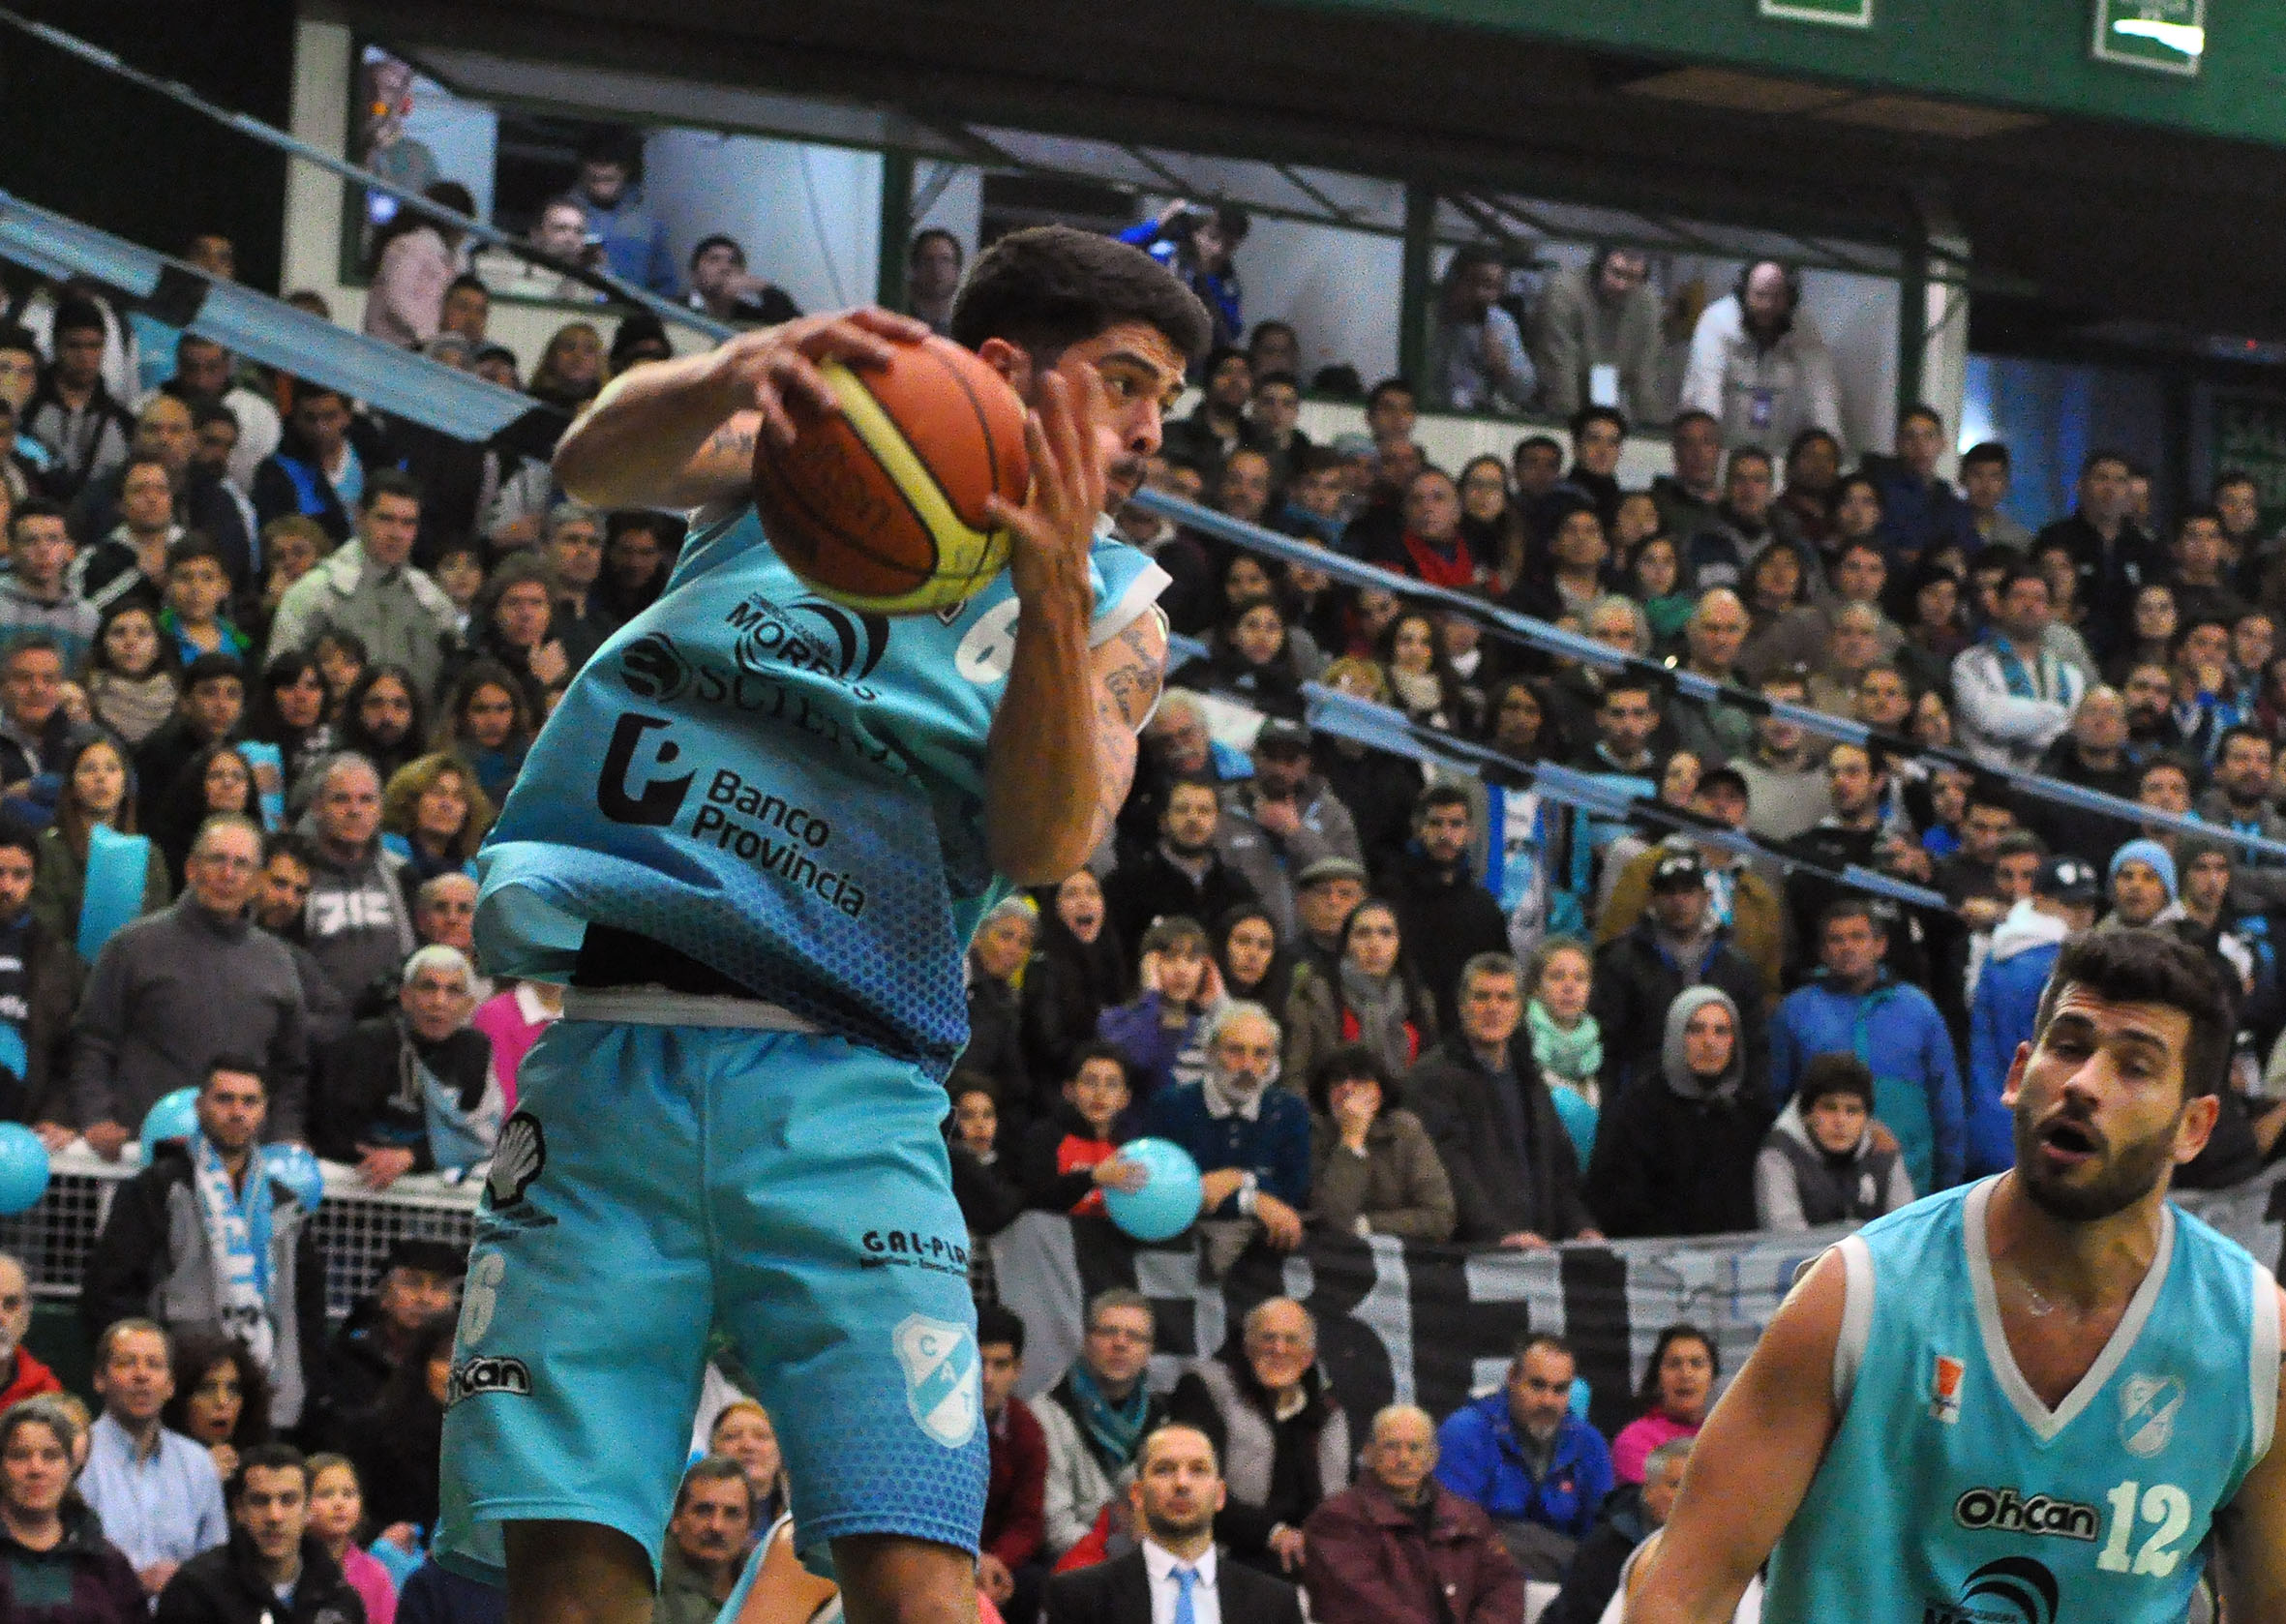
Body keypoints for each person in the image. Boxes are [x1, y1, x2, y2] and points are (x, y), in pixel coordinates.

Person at [437, 227, 1211, 1624]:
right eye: (1125, 380)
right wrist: (732, 367)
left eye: (1167, 399)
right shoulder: (800, 458)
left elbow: (1047, 839)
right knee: (562, 1567)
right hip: (615, 1050)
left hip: (848, 1088)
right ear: (998, 371)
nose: (1152, 427)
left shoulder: (1117, 612)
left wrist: (1041, 601)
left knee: (914, 1575)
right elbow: (595, 466)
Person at [1633, 930, 2286, 1624]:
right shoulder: (1856, 1297)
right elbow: (1681, 1588)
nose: (2083, 1084)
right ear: (2017, 1075)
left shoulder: (2256, 1341)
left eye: (2134, 1067)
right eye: (2068, 1048)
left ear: (2195, 1126)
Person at [80, 1062, 326, 1431]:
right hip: (175, 1391)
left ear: (264, 1111)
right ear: (200, 1106)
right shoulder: (155, 1189)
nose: (237, 1112)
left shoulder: (283, 1204)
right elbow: (110, 1289)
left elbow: (305, 1308)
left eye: (249, 1101)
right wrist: (145, 1374)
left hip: (261, 1391)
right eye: (225, 1099)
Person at [69, 816, 310, 1155]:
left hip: (240, 1165)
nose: (228, 874)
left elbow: (291, 1069)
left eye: (242, 865)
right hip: (138, 1156)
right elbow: (92, 1042)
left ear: (256, 881)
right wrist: (95, 1117)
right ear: (191, 868)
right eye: (217, 860)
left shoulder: (279, 961)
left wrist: (286, 1134)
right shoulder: (131, 946)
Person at [1770, 897, 1963, 1193]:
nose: (1847, 947)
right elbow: (1777, 1101)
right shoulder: (1795, 1012)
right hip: (1821, 1191)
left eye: (1858, 937)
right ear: (1822, 952)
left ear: (1880, 945)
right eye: (1836, 940)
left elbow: (1947, 1103)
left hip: (1913, 1185)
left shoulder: (1919, 1009)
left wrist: (1948, 1185)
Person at [1407, 954, 1599, 1248]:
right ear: (1461, 1006)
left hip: (1536, 1246)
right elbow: (1451, 1169)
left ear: (1519, 1008)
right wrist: (1496, 1234)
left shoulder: (1529, 1076)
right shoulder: (1433, 1078)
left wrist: (1581, 1226)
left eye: (1505, 997)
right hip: (1476, 1252)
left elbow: (1558, 1168)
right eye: (1482, 997)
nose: (1493, 1008)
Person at [1040, 1425, 1303, 1624]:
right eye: (1164, 1469)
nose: (1182, 1483)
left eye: (1198, 1470)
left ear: (1220, 1495)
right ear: (1137, 1495)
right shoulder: (1079, 1596)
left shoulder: (1274, 1602)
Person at [1167, 1300, 1349, 1579]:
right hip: (1222, 1554)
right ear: (1247, 1346)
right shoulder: (1207, 1389)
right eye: (1268, 1338)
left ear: (1308, 1357)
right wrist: (1274, 1534)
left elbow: (1334, 1501)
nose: (1278, 1349)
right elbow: (1196, 1489)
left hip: (1305, 1559)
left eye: (1291, 1340)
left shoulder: (1327, 1412)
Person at [1303, 1403, 1522, 1624]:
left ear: (1433, 1457)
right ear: (1368, 1453)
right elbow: (1365, 1603)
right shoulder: (1336, 1520)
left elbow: (1504, 1583)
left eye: (1415, 1447)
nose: (1403, 1458)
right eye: (1391, 1447)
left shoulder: (1468, 1518)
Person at [1587, 987, 1770, 1238]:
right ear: (1675, 1035)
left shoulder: (1753, 1112)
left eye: (1721, 1031)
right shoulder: (1637, 1111)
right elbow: (1618, 1203)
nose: (1709, 1041)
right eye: (1695, 1030)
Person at [312, 945, 500, 1185]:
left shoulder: (476, 1048)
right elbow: (332, 1130)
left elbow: (479, 1135)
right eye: (428, 987)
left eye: (453, 990)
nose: (439, 1001)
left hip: (435, 1189)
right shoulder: (366, 1043)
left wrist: (411, 1156)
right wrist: (390, 1158)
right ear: (405, 997)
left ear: (468, 1004)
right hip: (359, 1182)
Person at [1589, 850, 1768, 1099]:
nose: (1679, 901)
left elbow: (1753, 1046)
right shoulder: (1621, 961)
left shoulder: (1736, 967)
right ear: (1652, 899)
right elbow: (1607, 1045)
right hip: (1644, 1103)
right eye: (1669, 893)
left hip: (1718, 1101)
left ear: (1706, 897)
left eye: (1688, 892)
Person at [1432, 1334, 1613, 1579]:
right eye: (1537, 1385)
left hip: (1566, 1590)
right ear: (1512, 1378)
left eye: (1560, 1389)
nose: (1548, 1400)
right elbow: (1456, 1533)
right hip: (1482, 1582)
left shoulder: (1589, 1442)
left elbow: (1600, 1538)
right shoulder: (1465, 1431)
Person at [1968, 855, 2105, 1179]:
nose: (2083, 914)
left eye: (2088, 904)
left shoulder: (1997, 951)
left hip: (1988, 1116)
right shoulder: (2058, 966)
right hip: (2038, 1124)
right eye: (2070, 904)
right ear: (2040, 901)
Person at [267, 474, 458, 703]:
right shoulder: (313, 593)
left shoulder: (433, 602)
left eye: (408, 523)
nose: (397, 534)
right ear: (360, 518)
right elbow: (278, 682)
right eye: (385, 519)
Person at [1140, 1002, 1309, 1255]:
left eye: (1260, 1054)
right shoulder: (1170, 1106)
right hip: (1177, 1249)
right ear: (1210, 1053)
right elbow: (1168, 1193)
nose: (1248, 1065)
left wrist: (1238, 1178)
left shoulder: (1289, 1110)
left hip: (1263, 1254)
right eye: (1235, 1051)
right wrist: (1252, 1200)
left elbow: (1293, 1191)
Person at [76, 1321, 229, 1598]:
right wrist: (133, 1585)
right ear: (99, 1378)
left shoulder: (197, 1464)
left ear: (170, 1385)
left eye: (154, 1364)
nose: (141, 1375)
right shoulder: (77, 1457)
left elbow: (218, 1567)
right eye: (126, 1363)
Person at [155, 1444, 369, 1624]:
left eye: (288, 1500)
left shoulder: (340, 1599)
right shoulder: (195, 1591)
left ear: (308, 1510)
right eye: (260, 1501)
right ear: (239, 1510)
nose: (274, 1516)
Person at [1031, 1290, 1167, 1562]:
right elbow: (1055, 1526)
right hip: (1074, 1565)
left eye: (1135, 1336)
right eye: (1108, 1332)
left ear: (1149, 1351)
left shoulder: (1164, 1419)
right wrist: (1119, 1564)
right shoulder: (1047, 1414)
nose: (1120, 1343)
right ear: (1087, 1341)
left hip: (1148, 1563)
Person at [0, 1396, 144, 1624]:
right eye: (20, 1455)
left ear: (71, 1467)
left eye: (51, 1456)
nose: (36, 1469)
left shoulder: (107, 1564)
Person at [1678, 261, 1843, 454]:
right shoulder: (1716, 321)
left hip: (1777, 453)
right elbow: (1705, 394)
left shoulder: (1803, 328)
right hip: (1722, 450)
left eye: (1776, 297)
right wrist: (1706, 452)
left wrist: (1828, 450)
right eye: (1760, 295)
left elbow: (1823, 395)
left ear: (1790, 298)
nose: (1767, 306)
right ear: (1744, 293)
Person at [314, 1238, 464, 1447]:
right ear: (384, 1295)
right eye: (413, 1283)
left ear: (450, 1301)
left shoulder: (463, 1363)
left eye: (438, 1287)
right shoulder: (347, 1357)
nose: (425, 1298)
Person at [1305, 1044, 1456, 1242]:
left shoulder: (1404, 1131)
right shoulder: (1314, 1133)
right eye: (1338, 1080)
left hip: (1406, 1258)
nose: (1347, 1088)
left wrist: (1366, 1224)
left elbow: (1440, 1217)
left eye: (1361, 1079)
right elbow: (1332, 1220)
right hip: (1335, 1261)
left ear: (1380, 1093)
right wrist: (1352, 1141)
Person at [1755, 1051, 1914, 1231]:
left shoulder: (1883, 1150)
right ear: (1806, 1113)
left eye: (1852, 1110)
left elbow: (1905, 1233)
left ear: (1867, 1118)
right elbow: (1786, 1238)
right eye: (1829, 1108)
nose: (1840, 1121)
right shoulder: (1779, 1155)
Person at [1103, 779, 1258, 962]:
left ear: (1218, 822)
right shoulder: (1126, 885)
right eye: (1182, 810)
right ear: (1163, 821)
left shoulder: (1237, 889)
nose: (1193, 818)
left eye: (1204, 811)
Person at [1540, 1437, 1689, 1624]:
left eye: (1699, 1486)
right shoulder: (1606, 1546)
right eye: (1676, 1485)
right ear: (1649, 1490)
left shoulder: (1721, 1552)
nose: (1688, 1495)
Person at [974, 1305, 1048, 1624]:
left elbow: (1027, 1520)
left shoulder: (1026, 1430)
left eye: (1000, 1364)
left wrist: (995, 1561)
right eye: (978, 1362)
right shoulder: (932, 1423)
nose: (987, 1378)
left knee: (1034, 1584)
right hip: (943, 1554)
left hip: (998, 1561)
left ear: (1017, 1369)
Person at [1532, 247, 1663, 422]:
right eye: (1616, 273)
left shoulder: (1647, 302)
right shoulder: (1564, 292)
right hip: (1552, 400)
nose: (1622, 285)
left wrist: (1651, 430)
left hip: (1605, 386)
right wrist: (1571, 427)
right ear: (1599, 268)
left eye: (1632, 278)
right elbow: (1560, 371)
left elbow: (1646, 375)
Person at [1428, 247, 1534, 414]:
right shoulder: (1431, 319)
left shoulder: (1499, 322)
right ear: (1455, 280)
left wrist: (1501, 367)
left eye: (1493, 287)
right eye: (1476, 283)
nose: (1483, 295)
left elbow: (1525, 389)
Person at [161, 1330, 271, 1487]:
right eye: (206, 1389)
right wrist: (200, 1477)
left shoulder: (264, 1460)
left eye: (233, 1389)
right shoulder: (149, 1465)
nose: (222, 1401)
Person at [654, 1459, 755, 1624]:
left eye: (732, 1514)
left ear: (750, 1525)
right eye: (703, 1511)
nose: (716, 1526)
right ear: (675, 1519)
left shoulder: (764, 1579)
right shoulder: (646, 1581)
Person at [306, 1456, 397, 1624]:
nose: (339, 1503)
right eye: (326, 1494)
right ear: (302, 1502)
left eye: (348, 1494)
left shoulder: (375, 1574)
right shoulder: (292, 1567)